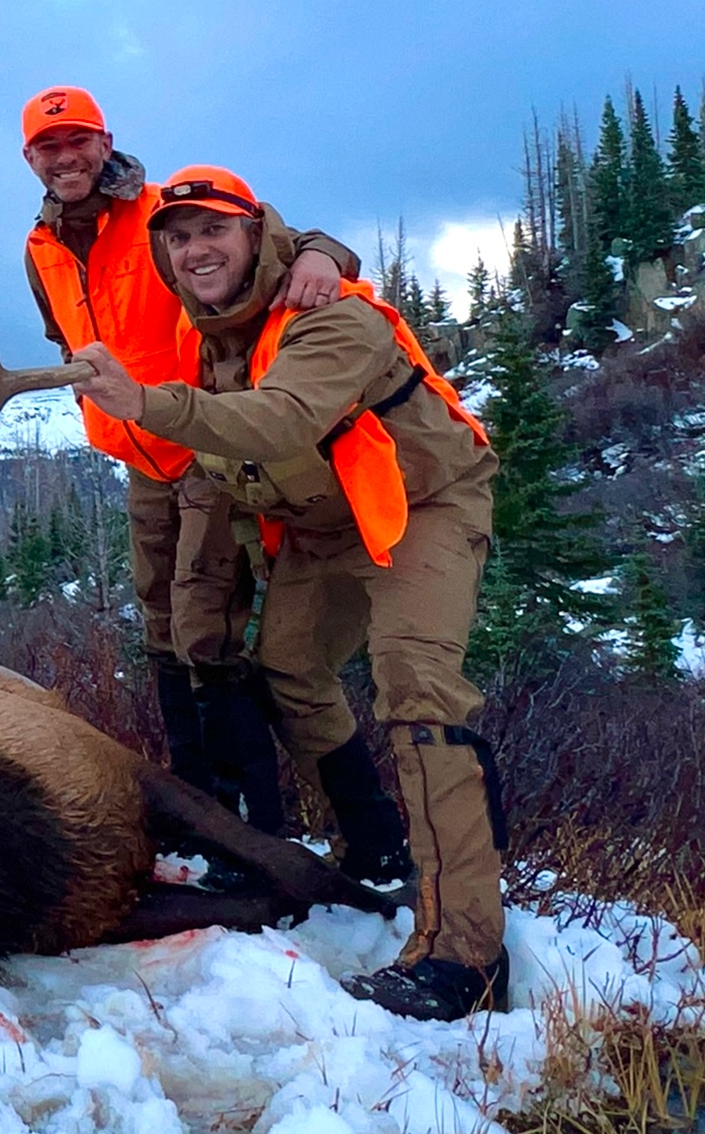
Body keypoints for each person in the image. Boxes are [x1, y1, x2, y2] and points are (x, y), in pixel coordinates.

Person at [72, 164, 507, 1021]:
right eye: (181, 236)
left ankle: (467, 952)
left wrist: (142, 402)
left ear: (257, 234)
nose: (197, 249)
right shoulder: (216, 335)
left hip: (421, 505)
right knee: (290, 672)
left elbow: (279, 421)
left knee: (417, 693)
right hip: (324, 525)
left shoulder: (329, 314)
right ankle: (380, 842)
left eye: (216, 231)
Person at [20, 86, 406, 879]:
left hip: (208, 444)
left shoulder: (170, 211)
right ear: (30, 159)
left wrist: (321, 256)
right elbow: (69, 339)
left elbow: (295, 244)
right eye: (48, 148)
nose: (66, 159)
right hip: (137, 456)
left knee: (205, 631)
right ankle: (202, 808)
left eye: (78, 141)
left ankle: (254, 832)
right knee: (162, 629)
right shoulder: (39, 249)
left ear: (105, 142)